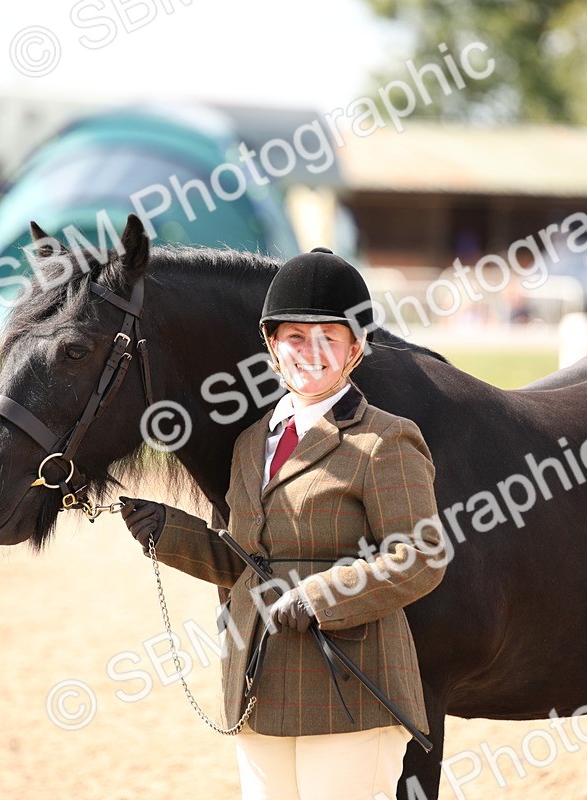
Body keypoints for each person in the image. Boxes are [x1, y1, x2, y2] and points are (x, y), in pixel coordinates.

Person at [119, 247, 445, 800]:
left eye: (328, 337)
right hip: (260, 683)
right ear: (271, 346)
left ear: (355, 349)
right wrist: (167, 533)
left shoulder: (385, 439)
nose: (309, 351)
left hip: (350, 685)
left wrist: (322, 595)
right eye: (294, 336)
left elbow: (419, 557)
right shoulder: (252, 444)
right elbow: (247, 561)